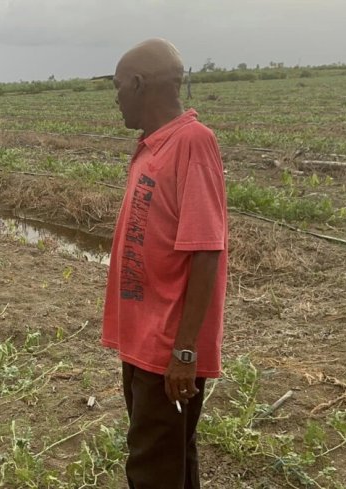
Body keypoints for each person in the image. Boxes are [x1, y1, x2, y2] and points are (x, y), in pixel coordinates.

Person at [101, 38, 228, 489]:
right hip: (143, 339)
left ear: (137, 84)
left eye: (117, 87)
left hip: (168, 346)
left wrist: (185, 352)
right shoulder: (152, 147)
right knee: (169, 455)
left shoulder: (192, 143)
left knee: (151, 466)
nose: (115, 99)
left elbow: (206, 249)